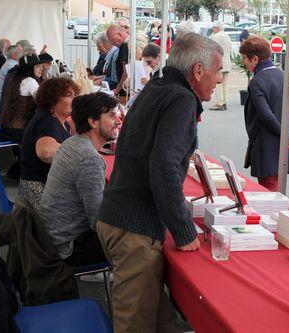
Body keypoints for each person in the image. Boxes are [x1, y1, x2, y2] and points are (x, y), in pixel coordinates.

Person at [96, 33, 222, 332]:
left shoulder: (159, 85)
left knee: (161, 319)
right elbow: (163, 166)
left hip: (121, 216)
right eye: (217, 71)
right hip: (134, 227)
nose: (219, 80)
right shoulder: (180, 98)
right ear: (199, 70)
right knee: (136, 324)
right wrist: (182, 229)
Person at [39, 92, 121, 267]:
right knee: (140, 239)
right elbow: (97, 222)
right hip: (68, 247)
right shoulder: (89, 159)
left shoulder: (72, 142)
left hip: (51, 236)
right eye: (112, 116)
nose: (118, 121)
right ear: (93, 122)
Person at [239, 36, 289, 191]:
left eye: (245, 58)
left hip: (266, 148)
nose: (243, 62)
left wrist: (287, 137)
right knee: (279, 191)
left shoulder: (257, 81)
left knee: (269, 195)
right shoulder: (286, 76)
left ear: (255, 59)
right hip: (284, 148)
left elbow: (266, 116)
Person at [19, 77, 80, 211]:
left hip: (40, 187)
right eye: (69, 95)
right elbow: (45, 151)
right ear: (53, 100)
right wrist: (79, 150)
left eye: (75, 95)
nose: (74, 100)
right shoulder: (47, 122)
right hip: (39, 193)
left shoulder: (56, 119)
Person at [0, 52, 45, 143]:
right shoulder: (30, 81)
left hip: (6, 130)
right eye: (38, 66)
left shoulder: (14, 78)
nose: (41, 69)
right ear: (30, 68)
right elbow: (44, 102)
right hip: (20, 133)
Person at [210, 22, 232, 111]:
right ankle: (224, 101)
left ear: (217, 28)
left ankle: (219, 102)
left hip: (219, 63)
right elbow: (230, 49)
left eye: (213, 28)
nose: (213, 29)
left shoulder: (216, 36)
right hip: (227, 62)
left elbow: (212, 50)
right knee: (225, 83)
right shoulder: (227, 36)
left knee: (218, 83)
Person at [0, 44, 22, 112]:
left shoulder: (10, 64)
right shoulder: (11, 66)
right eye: (21, 52)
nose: (23, 54)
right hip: (7, 109)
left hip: (7, 105)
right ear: (14, 55)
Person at [106, 25, 129, 97]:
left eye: (113, 40)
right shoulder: (128, 43)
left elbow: (126, 72)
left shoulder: (125, 46)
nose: (113, 44)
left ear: (119, 34)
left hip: (125, 91)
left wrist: (116, 90)